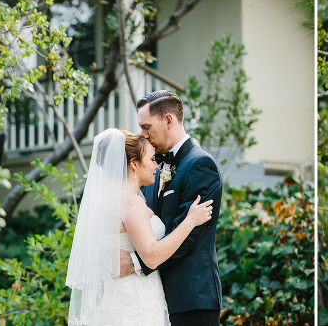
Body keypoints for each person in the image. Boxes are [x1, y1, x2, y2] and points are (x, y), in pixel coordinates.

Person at [64, 128, 214, 325]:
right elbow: (151, 257)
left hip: (121, 295)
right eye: (152, 159)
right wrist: (190, 222)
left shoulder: (111, 199)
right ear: (134, 164)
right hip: (135, 302)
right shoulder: (129, 201)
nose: (157, 166)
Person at [117, 90, 224, 326]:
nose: (142, 135)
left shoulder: (200, 165)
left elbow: (190, 236)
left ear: (168, 120)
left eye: (146, 127)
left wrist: (137, 262)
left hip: (191, 298)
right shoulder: (150, 168)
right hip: (154, 297)